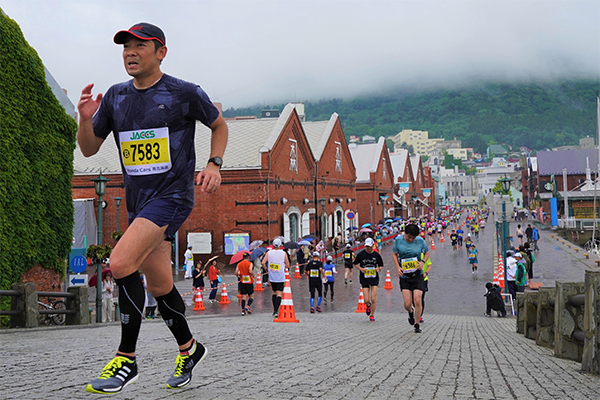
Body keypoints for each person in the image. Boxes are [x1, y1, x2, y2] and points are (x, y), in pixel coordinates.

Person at [79, 23, 228, 393]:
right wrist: (84, 118)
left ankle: (126, 359)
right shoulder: (115, 97)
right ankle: (189, 349)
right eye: (125, 47)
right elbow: (88, 149)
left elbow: (219, 125)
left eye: (139, 46)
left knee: (120, 263)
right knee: (161, 284)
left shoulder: (184, 93)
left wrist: (214, 164)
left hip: (172, 197)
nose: (130, 52)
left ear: (161, 52)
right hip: (138, 202)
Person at [392, 224, 429, 333]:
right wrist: (398, 267)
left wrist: (422, 262)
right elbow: (394, 254)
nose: (411, 239)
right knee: (407, 304)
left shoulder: (420, 241)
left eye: (413, 238)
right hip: (405, 275)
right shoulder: (398, 240)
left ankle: (417, 324)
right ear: (405, 233)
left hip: (417, 274)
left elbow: (426, 253)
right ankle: (410, 312)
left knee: (417, 299)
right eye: (409, 237)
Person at [353, 238, 384, 322]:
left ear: (373, 246)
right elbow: (355, 264)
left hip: (374, 278)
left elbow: (381, 265)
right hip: (364, 278)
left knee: (373, 298)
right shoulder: (361, 254)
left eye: (370, 246)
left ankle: (372, 315)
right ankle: (368, 305)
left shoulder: (376, 255)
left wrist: (379, 269)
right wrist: (360, 269)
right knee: (366, 299)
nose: (368, 248)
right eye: (367, 246)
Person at [262, 238, 290, 317]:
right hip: (280, 276)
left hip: (272, 276)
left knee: (274, 292)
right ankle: (277, 310)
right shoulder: (283, 253)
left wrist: (267, 269)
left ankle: (274, 310)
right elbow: (288, 265)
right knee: (279, 293)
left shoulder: (269, 253)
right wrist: (284, 266)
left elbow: (263, 262)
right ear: (281, 245)